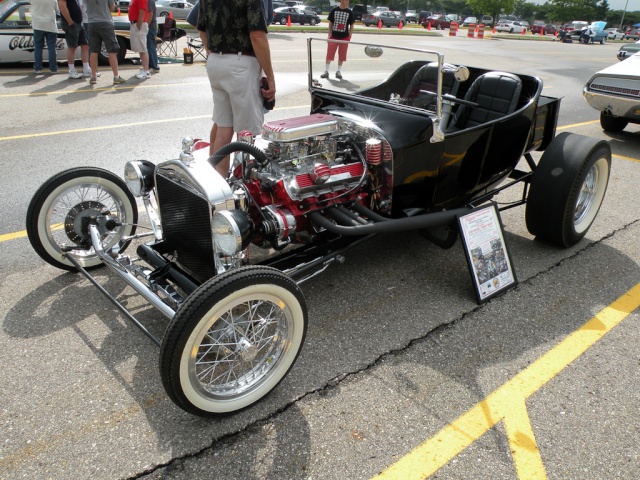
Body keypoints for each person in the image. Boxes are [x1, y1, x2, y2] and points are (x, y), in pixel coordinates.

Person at [197, 0, 276, 177]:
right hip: (241, 64)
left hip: (216, 61)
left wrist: (214, 54)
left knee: (223, 128)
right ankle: (244, 185)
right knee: (246, 134)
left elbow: (201, 29)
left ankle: (218, 184)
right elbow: (257, 35)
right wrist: (270, 77)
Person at [84, 0, 125, 84]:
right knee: (112, 50)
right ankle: (116, 76)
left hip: (92, 23)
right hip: (105, 22)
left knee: (93, 51)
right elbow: (112, 8)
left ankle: (93, 76)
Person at [320, 0, 354, 80]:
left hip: (344, 37)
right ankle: (326, 71)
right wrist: (329, 34)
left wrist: (350, 35)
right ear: (341, 0)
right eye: (346, 0)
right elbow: (331, 23)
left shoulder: (349, 12)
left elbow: (352, 24)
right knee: (329, 53)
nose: (348, 1)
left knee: (342, 55)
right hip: (334, 36)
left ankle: (338, 71)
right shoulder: (334, 10)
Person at [58, 0, 88, 79]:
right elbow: (62, 7)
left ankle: (86, 68)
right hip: (71, 23)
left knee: (85, 45)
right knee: (72, 47)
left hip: (79, 23)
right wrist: (70, 22)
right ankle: (71, 70)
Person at [31, 0, 59, 74]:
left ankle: (38, 68)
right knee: (52, 47)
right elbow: (57, 9)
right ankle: (53, 68)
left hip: (37, 24)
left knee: (38, 47)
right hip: (50, 24)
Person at [129, 0, 151, 79]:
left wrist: (138, 26)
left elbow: (141, 13)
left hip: (139, 25)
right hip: (135, 24)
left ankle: (146, 71)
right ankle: (144, 69)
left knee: (143, 49)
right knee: (141, 49)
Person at [146, 0, 159, 73]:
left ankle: (154, 66)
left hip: (150, 27)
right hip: (150, 27)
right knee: (148, 47)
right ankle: (148, 66)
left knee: (150, 47)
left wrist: (146, 26)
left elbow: (150, 14)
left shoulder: (150, 1)